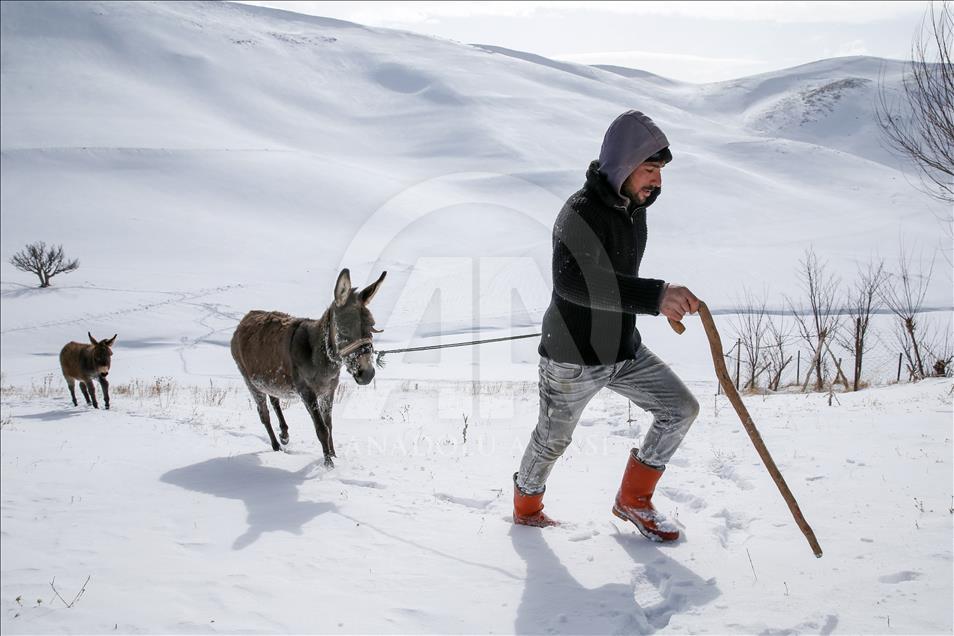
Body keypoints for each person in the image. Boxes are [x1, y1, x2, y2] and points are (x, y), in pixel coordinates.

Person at [513, 110, 700, 542]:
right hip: (572, 357)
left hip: (623, 349)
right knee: (552, 440)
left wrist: (658, 302)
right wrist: (656, 296)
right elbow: (574, 282)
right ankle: (526, 508)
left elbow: (617, 279)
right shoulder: (579, 212)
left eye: (660, 171)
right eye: (649, 169)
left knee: (680, 409)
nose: (657, 181)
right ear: (623, 164)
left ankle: (634, 499)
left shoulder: (634, 209)